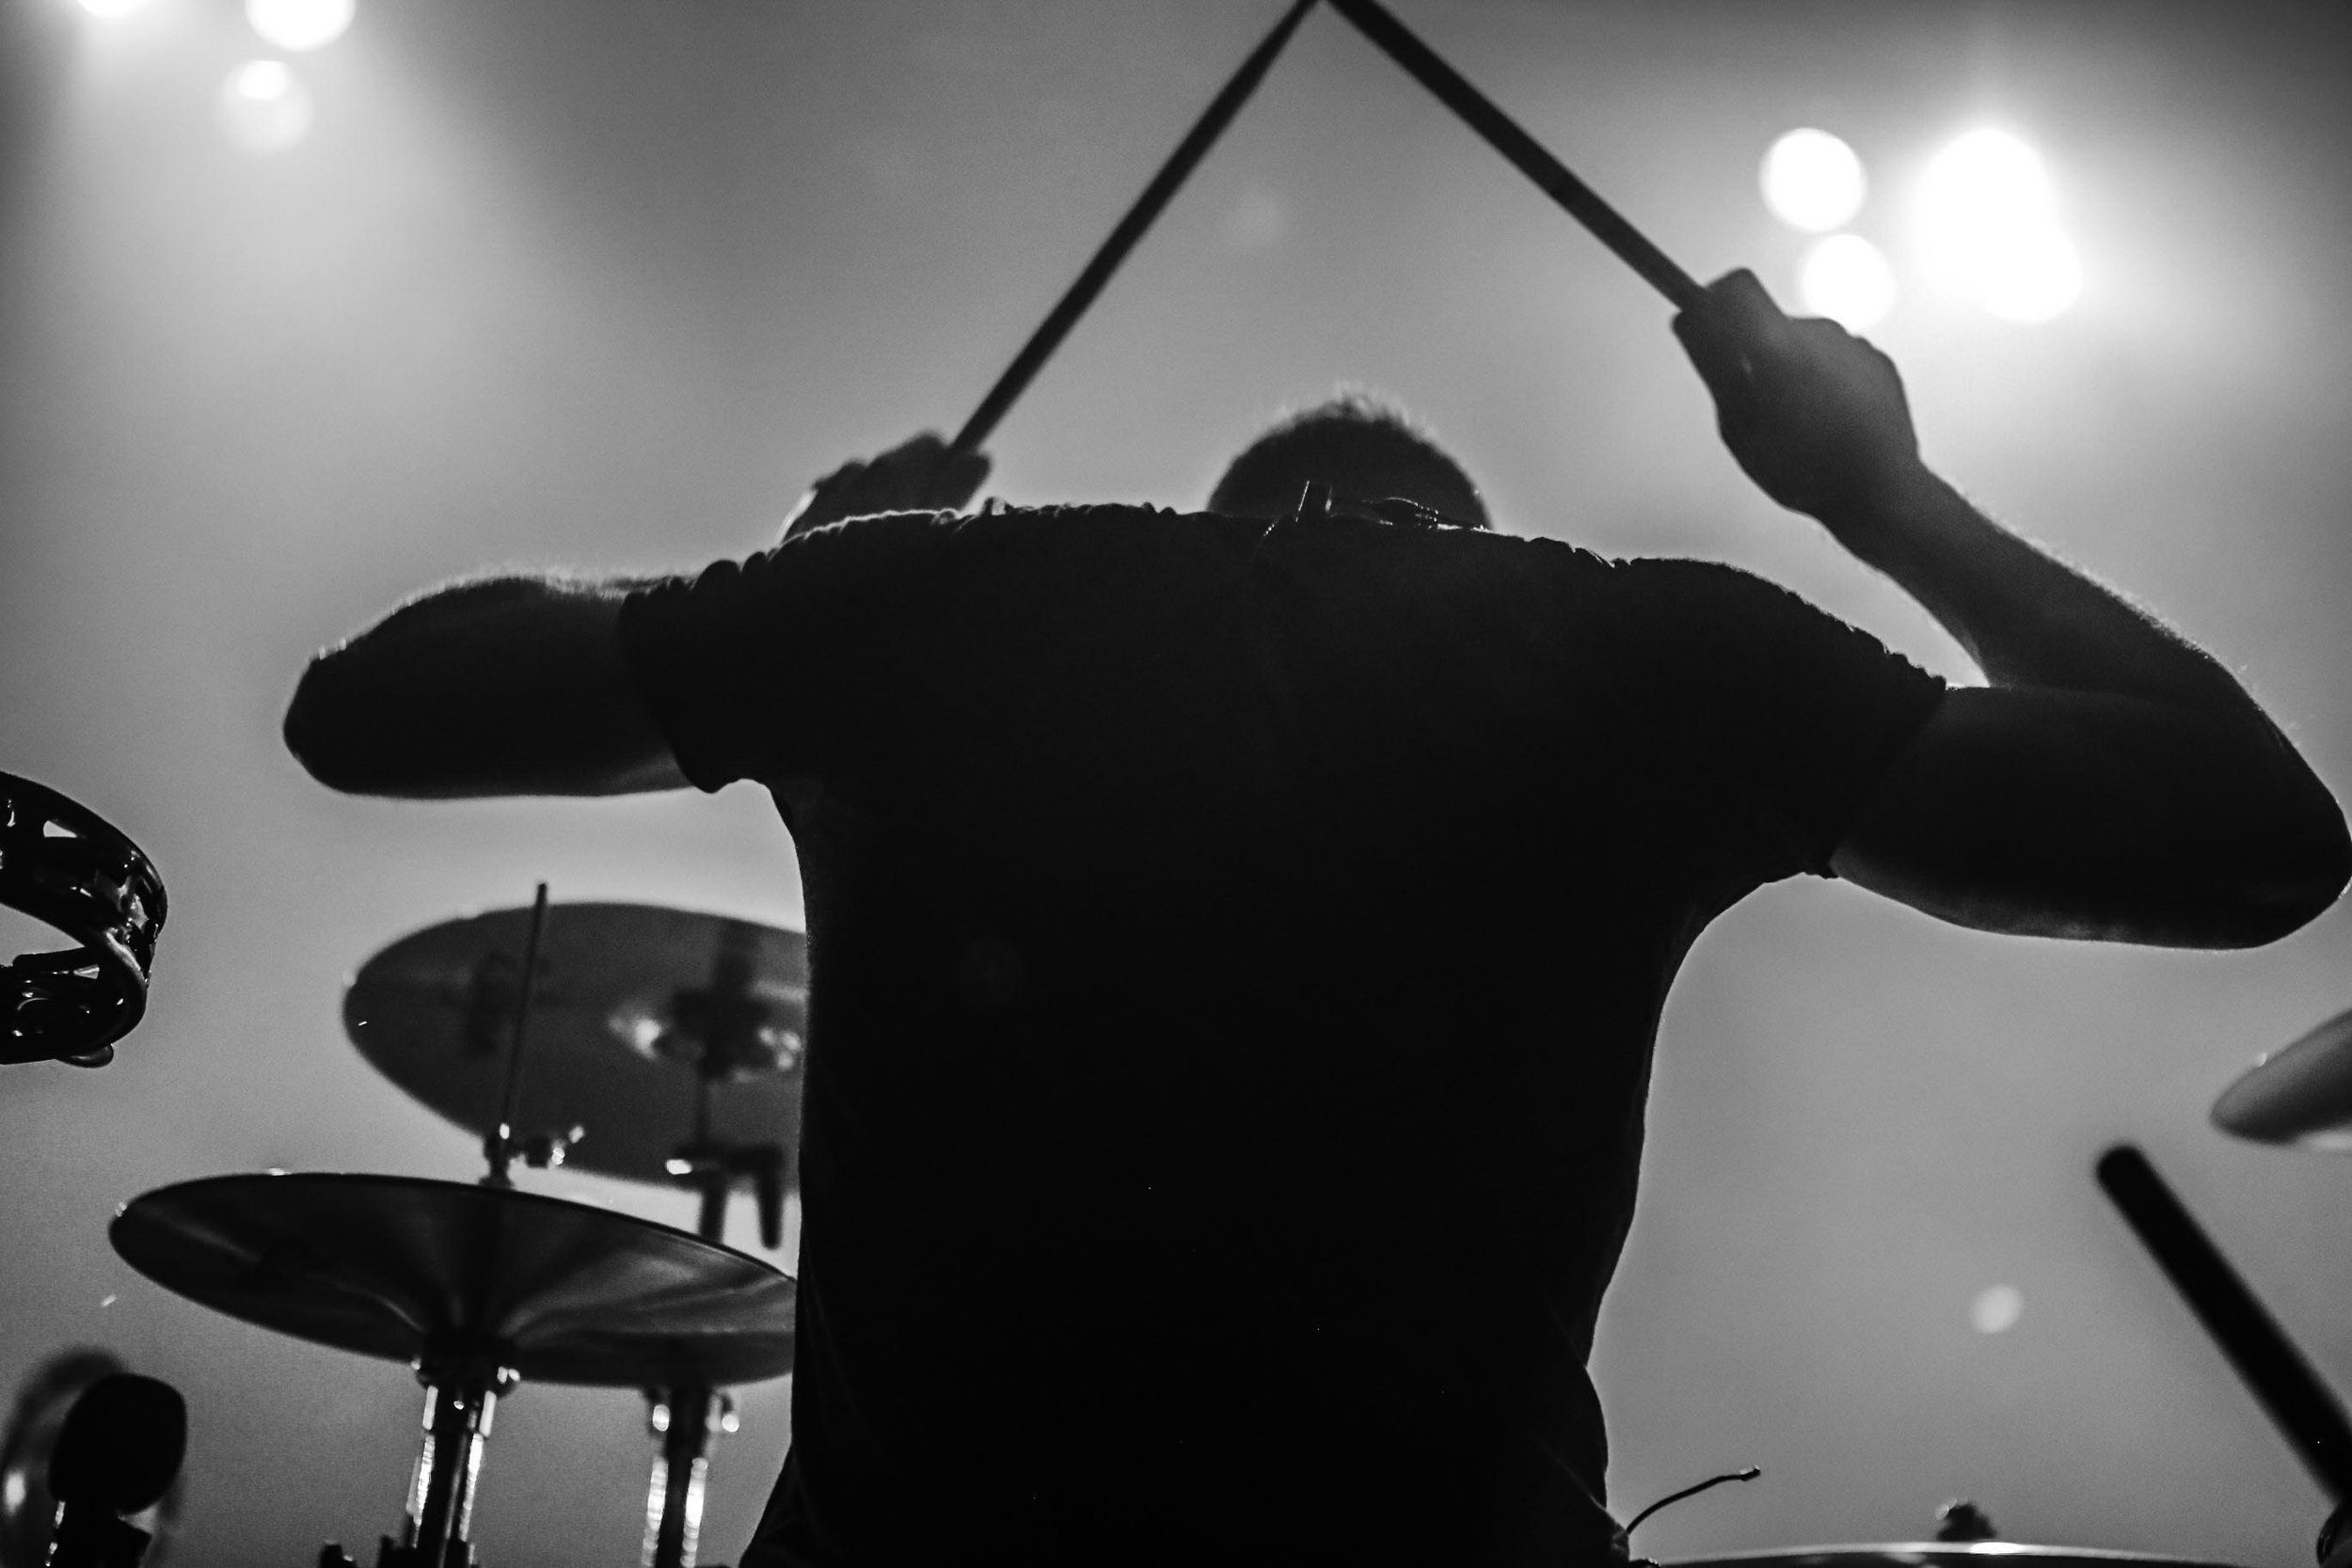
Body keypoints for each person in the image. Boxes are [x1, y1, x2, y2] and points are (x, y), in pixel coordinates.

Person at [283, 271, 2348, 1566]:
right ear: (1441, 543)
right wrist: (1874, 494)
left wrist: (780, 592)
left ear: (1220, 533)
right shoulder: (1630, 657)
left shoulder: (939, 615)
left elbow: (365, 711)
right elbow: (2251, 842)